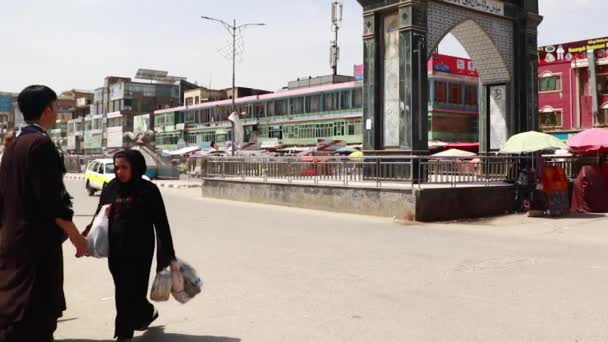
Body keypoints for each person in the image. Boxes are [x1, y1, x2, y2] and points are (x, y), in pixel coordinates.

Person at [0, 85, 88, 342]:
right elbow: (53, 201)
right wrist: (76, 237)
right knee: (35, 314)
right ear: (47, 109)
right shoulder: (40, 144)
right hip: (35, 245)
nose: (58, 113)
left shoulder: (13, 146)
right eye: (57, 108)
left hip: (13, 240)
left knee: (14, 309)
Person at [86, 149, 176, 342]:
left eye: (124, 167)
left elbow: (161, 224)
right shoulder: (111, 187)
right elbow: (98, 215)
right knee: (123, 289)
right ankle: (144, 314)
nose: (119, 172)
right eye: (117, 167)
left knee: (133, 289)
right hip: (117, 249)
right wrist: (85, 237)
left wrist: (166, 254)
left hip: (140, 251)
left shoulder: (149, 191)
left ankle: (124, 333)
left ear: (135, 167)